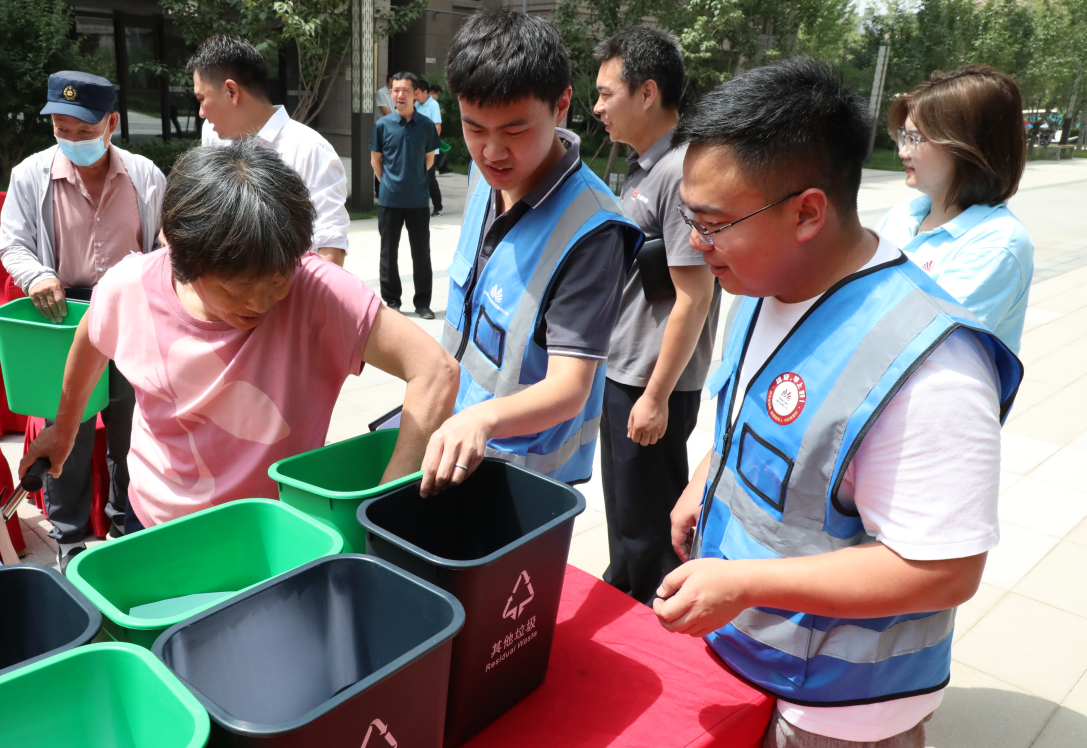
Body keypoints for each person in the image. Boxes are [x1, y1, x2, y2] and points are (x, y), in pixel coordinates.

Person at [655, 59, 1022, 748]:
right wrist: (708, 474)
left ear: (808, 212)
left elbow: (941, 569)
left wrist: (743, 585)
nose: (696, 244)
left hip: (840, 710)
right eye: (690, 219)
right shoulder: (763, 283)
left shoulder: (933, 369)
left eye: (713, 223)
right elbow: (761, 412)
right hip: (752, 660)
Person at [20, 139, 458, 532]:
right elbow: (92, 338)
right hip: (153, 521)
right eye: (235, 288)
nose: (261, 304)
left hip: (276, 533)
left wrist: (380, 506)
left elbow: (435, 371)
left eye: (277, 282)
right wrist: (65, 429)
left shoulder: (317, 291)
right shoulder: (129, 285)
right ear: (177, 250)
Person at [419, 10, 642, 495]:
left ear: (561, 105)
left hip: (521, 477)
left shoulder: (593, 231)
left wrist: (483, 419)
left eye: (515, 131)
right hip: (456, 438)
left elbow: (570, 386)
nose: (492, 152)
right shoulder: (488, 176)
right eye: (474, 129)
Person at [0, 70, 166, 568]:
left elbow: (161, 241)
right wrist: (36, 276)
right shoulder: (31, 175)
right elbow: (12, 242)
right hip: (64, 311)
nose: (72, 141)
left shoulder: (144, 174)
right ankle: (68, 532)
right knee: (67, 422)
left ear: (112, 123)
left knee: (129, 422)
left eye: (84, 131)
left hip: (133, 311)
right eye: (61, 130)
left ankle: (127, 519)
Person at [592, 27, 720, 605]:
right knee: (625, 511)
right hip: (627, 368)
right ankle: (629, 588)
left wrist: (656, 395)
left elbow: (696, 296)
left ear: (647, 93)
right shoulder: (648, 167)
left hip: (651, 378)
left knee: (649, 521)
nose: (597, 108)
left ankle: (658, 616)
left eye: (605, 94)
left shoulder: (679, 172)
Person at [876, 65, 1033, 352]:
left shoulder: (996, 244)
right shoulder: (903, 216)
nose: (902, 151)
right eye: (903, 136)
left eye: (915, 138)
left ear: (967, 147)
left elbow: (925, 347)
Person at [194, 35, 351, 267]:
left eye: (201, 98)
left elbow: (329, 252)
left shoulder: (310, 151)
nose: (201, 113)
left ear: (232, 92)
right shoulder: (213, 136)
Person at [372, 71, 441, 319]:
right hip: (390, 200)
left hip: (419, 201)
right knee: (388, 252)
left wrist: (415, 181)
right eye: (396, 90)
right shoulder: (382, 125)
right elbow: (375, 161)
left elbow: (430, 158)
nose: (400, 95)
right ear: (391, 93)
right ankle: (392, 301)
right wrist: (389, 183)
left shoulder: (425, 125)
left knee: (421, 253)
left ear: (415, 94)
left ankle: (423, 303)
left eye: (405, 91)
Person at [415, 81, 444, 216]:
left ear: (425, 92)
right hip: (416, 148)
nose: (415, 96)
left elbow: (437, 127)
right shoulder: (415, 105)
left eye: (417, 93)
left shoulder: (433, 105)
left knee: (429, 178)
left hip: (429, 150)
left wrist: (430, 147)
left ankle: (438, 206)